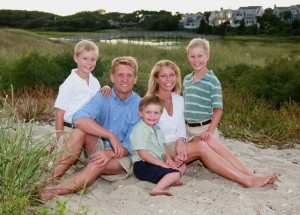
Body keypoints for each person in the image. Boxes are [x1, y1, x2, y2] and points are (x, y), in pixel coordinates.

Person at [147, 59, 278, 188]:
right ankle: (246, 181)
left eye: (171, 75)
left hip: (179, 145)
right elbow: (148, 135)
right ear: (156, 79)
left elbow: (181, 125)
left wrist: (181, 140)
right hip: (162, 151)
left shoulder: (179, 99)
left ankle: (250, 174)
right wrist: (168, 155)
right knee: (201, 147)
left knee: (207, 139)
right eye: (163, 76)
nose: (168, 79)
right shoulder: (149, 102)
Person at [40, 56, 141, 201]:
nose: (125, 79)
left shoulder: (139, 105)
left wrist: (111, 153)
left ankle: (54, 191)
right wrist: (109, 135)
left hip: (123, 157)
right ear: (112, 77)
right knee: (80, 130)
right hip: (99, 146)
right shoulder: (103, 96)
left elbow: (131, 145)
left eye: (129, 75)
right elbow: (79, 118)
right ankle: (51, 179)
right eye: (120, 75)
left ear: (135, 79)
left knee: (98, 162)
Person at [52, 39, 111, 154]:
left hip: (89, 127)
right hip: (70, 129)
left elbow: (96, 102)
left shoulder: (94, 82)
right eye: (85, 58)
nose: (89, 62)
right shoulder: (68, 84)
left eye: (92, 59)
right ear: (76, 58)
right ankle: (53, 151)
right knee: (62, 158)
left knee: (95, 158)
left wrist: (106, 88)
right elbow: (59, 113)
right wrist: (60, 137)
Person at [130, 95, 186, 196]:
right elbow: (142, 154)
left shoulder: (158, 129)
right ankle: (157, 188)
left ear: (160, 114)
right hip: (143, 165)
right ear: (140, 113)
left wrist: (168, 159)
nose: (152, 116)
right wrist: (162, 164)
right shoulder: (139, 129)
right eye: (148, 112)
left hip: (157, 162)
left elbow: (163, 147)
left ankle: (170, 180)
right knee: (174, 172)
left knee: (182, 166)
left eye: (156, 113)